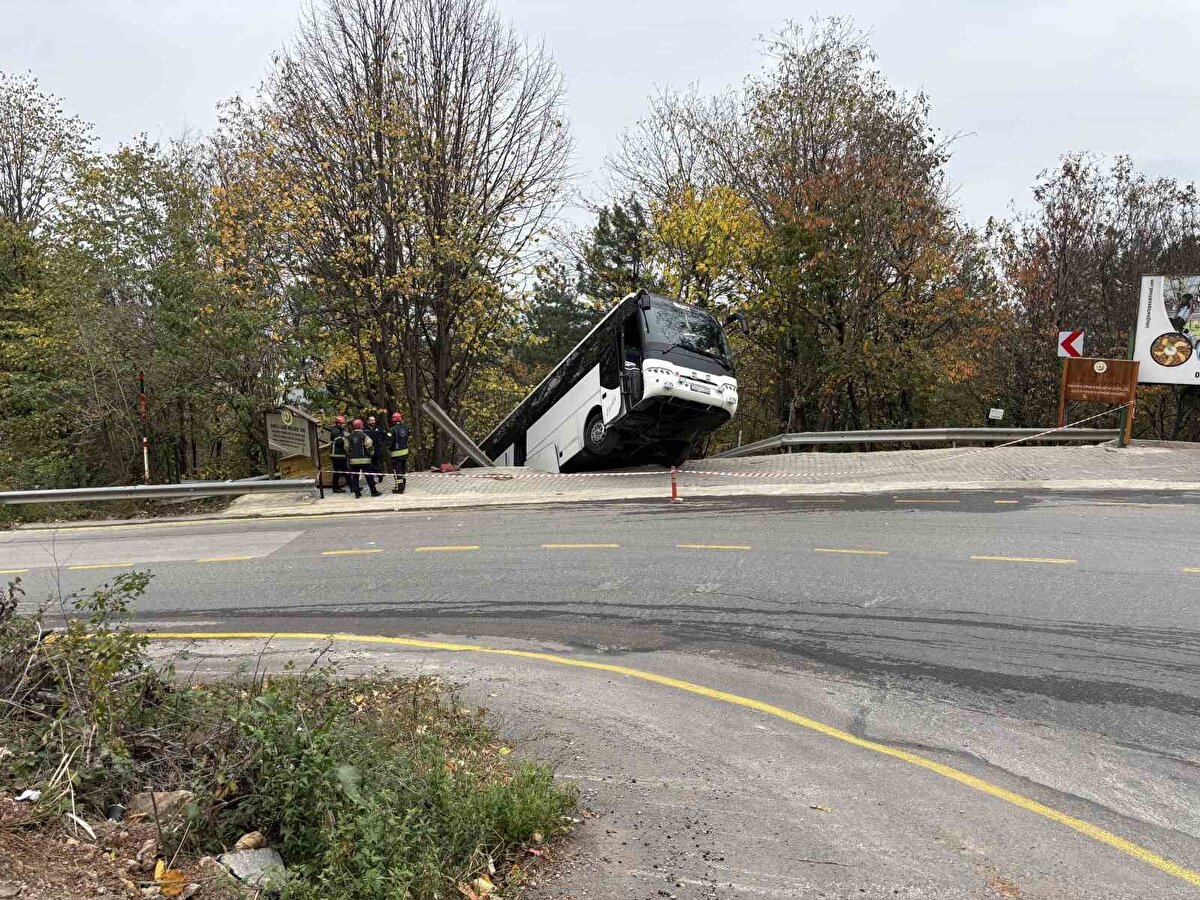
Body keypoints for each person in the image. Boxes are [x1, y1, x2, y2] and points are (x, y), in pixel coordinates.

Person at [347, 419, 380, 498]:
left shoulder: (349, 436)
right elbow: (369, 443)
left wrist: (351, 454)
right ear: (361, 425)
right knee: (369, 476)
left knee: (355, 477)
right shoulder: (364, 435)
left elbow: (346, 447)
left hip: (353, 461)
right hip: (365, 460)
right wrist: (371, 453)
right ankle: (373, 492)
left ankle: (357, 493)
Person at [387, 411, 410, 493]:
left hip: (396, 456)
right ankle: (403, 485)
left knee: (397, 472)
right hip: (405, 454)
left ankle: (399, 489)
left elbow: (389, 443)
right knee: (403, 471)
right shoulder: (406, 428)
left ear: (393, 420)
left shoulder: (392, 430)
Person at [366, 414, 388, 488]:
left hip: (377, 449)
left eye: (374, 420)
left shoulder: (378, 429)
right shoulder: (365, 429)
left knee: (377, 463)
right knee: (370, 465)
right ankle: (372, 479)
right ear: (368, 421)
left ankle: (380, 475)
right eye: (371, 420)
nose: (373, 421)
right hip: (368, 450)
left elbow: (385, 435)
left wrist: (380, 441)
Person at [329, 415, 349, 493]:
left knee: (345, 470)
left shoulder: (339, 430)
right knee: (338, 471)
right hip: (337, 454)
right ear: (338, 423)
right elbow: (340, 441)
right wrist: (347, 438)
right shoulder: (335, 431)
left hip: (340, 454)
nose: (344, 425)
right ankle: (335, 487)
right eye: (343, 423)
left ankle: (353, 486)